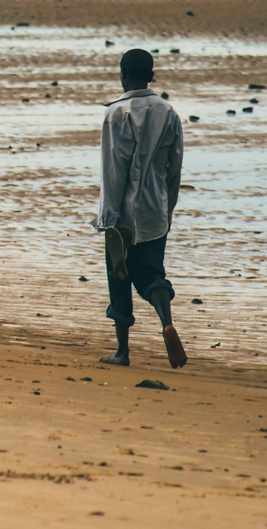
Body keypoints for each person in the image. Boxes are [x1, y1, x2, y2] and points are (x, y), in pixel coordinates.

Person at [93, 48, 187, 369]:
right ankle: (166, 322)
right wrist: (168, 208)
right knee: (152, 273)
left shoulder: (116, 113)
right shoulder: (169, 112)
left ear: (122, 75)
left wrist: (108, 217)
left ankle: (123, 351)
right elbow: (175, 167)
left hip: (122, 214)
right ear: (151, 76)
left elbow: (114, 170)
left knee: (119, 277)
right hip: (155, 211)